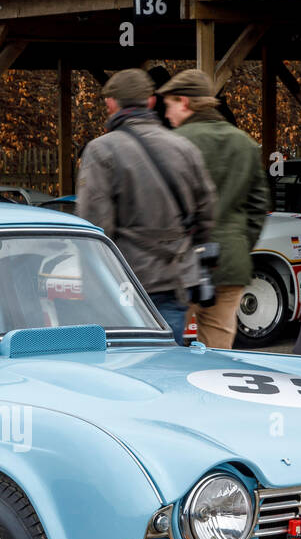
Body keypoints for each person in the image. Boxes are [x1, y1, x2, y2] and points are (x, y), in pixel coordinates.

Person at [75, 68, 217, 343]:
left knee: (127, 365)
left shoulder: (101, 150)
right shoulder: (184, 147)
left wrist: (90, 284)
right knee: (168, 360)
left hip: (126, 282)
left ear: (111, 104)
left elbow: (96, 227)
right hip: (177, 278)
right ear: (151, 102)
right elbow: (207, 213)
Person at [159, 68, 270, 349]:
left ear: (184, 102)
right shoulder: (244, 143)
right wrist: (241, 244)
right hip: (230, 261)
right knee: (218, 349)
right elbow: (259, 204)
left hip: (178, 264)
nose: (167, 114)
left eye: (169, 104)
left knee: (164, 347)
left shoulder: (173, 143)